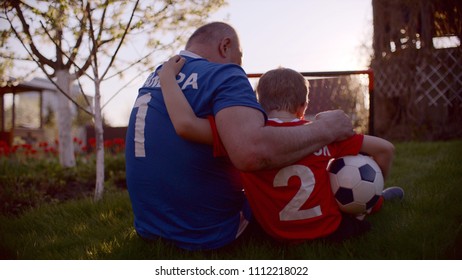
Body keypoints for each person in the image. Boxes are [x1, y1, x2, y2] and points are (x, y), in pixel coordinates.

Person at [125, 22, 355, 250]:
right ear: (225, 46)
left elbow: (186, 128)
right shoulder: (224, 74)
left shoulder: (158, 76)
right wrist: (327, 129)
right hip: (205, 233)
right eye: (240, 56)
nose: (241, 65)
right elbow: (251, 153)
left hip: (150, 228)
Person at [158, 57, 404, 242]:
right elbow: (385, 150)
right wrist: (369, 193)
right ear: (303, 105)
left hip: (272, 234)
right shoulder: (322, 133)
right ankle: (375, 201)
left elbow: (187, 124)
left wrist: (167, 78)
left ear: (258, 104)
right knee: (355, 205)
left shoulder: (241, 136)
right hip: (329, 230)